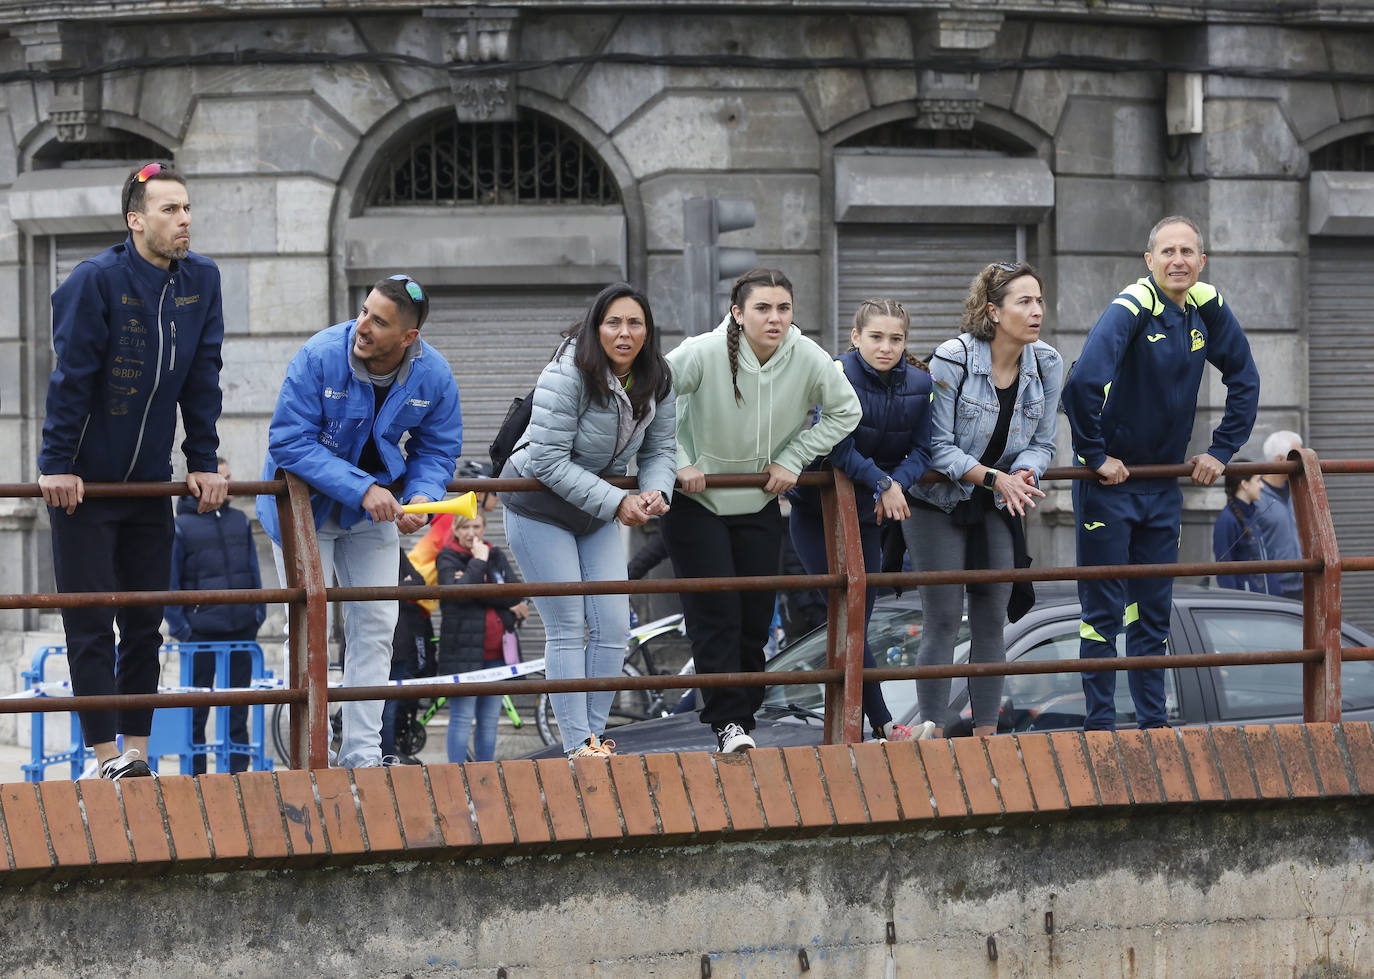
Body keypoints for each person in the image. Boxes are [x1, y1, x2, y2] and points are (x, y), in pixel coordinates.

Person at [39, 161, 228, 780]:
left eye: (187, 208)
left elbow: (203, 378)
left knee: (146, 620)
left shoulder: (201, 280)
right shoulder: (95, 280)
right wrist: (56, 465)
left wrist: (202, 462)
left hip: (149, 483)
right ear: (135, 219)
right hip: (85, 488)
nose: (184, 220)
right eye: (170, 210)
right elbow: (71, 379)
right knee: (90, 622)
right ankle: (102, 760)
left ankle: (137, 757)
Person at [255, 273, 462, 768]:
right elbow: (287, 441)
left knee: (376, 625)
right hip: (302, 509)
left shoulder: (434, 374)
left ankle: (362, 754)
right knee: (310, 626)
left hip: (372, 513)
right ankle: (312, 752)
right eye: (364, 311)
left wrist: (422, 498)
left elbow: (438, 448)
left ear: (409, 338)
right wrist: (363, 488)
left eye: (379, 321)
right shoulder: (320, 354)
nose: (362, 326)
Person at [1062, 215, 1259, 731]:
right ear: (1149, 261)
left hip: (1164, 488)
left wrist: (1221, 450)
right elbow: (1081, 382)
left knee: (1153, 612)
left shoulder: (1205, 306)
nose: (1178, 260)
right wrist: (1093, 455)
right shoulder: (1131, 307)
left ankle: (1153, 727)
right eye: (1167, 252)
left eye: (1187, 252)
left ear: (1202, 260)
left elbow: (1245, 377)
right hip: (1111, 486)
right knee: (1103, 612)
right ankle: (1099, 729)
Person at [661, 268, 861, 753]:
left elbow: (846, 411)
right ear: (737, 313)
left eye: (784, 308)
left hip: (758, 498)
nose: (775, 318)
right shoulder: (702, 352)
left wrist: (793, 458)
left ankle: (743, 720)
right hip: (695, 500)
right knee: (717, 613)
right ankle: (727, 723)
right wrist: (678, 461)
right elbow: (650, 396)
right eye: (763, 308)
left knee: (755, 618)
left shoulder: (807, 356)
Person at [498, 282, 677, 758]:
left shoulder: (658, 376)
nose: (624, 332)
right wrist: (619, 503)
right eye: (613, 322)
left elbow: (661, 449)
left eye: (635, 323)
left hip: (594, 510)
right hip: (538, 506)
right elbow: (548, 462)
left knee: (614, 625)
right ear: (597, 328)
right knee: (566, 624)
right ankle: (577, 745)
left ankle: (594, 741)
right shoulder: (568, 373)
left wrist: (656, 490)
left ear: (647, 331)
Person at [903, 264, 1062, 738]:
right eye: (1023, 302)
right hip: (937, 498)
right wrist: (996, 479)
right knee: (945, 616)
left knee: (993, 614)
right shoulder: (953, 357)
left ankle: (986, 735)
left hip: (997, 499)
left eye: (1039, 301)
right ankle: (929, 731)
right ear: (993, 311)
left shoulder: (1047, 362)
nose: (1036, 312)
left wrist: (1025, 472)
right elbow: (937, 446)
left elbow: (1044, 442)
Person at [788, 298, 934, 742]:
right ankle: (883, 723)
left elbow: (924, 451)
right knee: (844, 612)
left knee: (858, 621)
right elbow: (834, 444)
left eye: (896, 338)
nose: (886, 347)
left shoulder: (920, 382)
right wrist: (882, 483)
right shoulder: (838, 373)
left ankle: (870, 723)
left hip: (870, 515)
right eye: (876, 337)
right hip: (817, 512)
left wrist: (895, 484)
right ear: (855, 338)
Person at [166, 457, 266, 774]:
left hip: (241, 629)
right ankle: (195, 775)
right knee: (197, 709)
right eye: (221, 478)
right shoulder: (181, 526)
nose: (227, 484)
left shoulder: (239, 520)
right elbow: (170, 581)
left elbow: (252, 568)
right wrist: (182, 628)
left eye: (228, 477)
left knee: (238, 705)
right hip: (200, 632)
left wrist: (258, 612)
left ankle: (238, 771)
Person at [436, 511, 528, 762]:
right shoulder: (447, 557)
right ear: (455, 529)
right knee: (462, 717)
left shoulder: (495, 554)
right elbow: (458, 596)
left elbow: (516, 595)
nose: (471, 533)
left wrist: (473, 585)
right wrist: (478, 563)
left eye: (476, 526)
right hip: (463, 653)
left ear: (485, 527)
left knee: (489, 721)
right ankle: (455, 775)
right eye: (465, 527)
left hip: (497, 654)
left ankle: (485, 774)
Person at [380, 549, 434, 764]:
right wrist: (403, 585)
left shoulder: (397, 551)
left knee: (392, 705)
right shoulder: (357, 548)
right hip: (382, 643)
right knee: (383, 706)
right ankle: (386, 756)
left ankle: (388, 754)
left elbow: (419, 584)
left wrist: (398, 587)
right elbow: (375, 592)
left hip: (400, 644)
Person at [1257, 430, 1304, 599]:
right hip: (1273, 589)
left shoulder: (1299, 491)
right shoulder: (1256, 497)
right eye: (1297, 456)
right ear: (1280, 460)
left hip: (1306, 582)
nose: (1303, 461)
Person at [1213, 463, 1270, 593]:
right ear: (1244, 484)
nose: (1262, 486)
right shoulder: (1227, 520)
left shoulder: (1254, 514)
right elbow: (1224, 569)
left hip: (1267, 600)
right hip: (1248, 603)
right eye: (1258, 480)